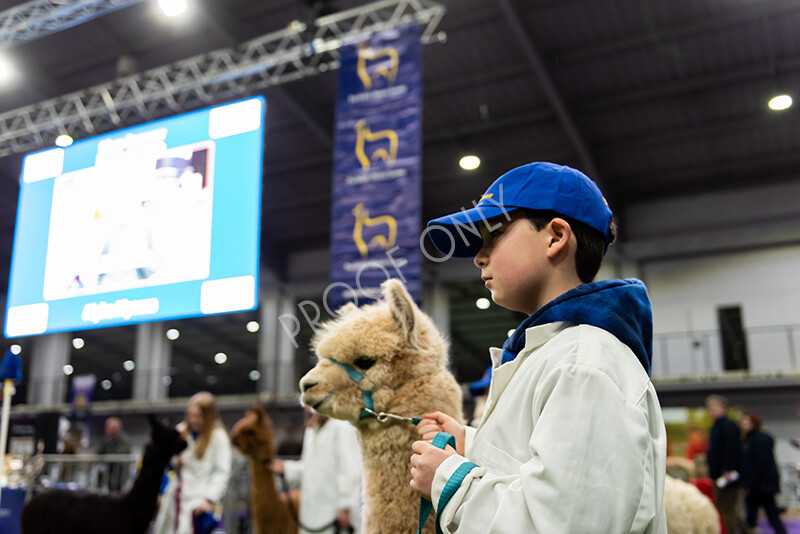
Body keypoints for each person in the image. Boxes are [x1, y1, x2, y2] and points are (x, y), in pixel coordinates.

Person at [410, 161, 667, 532]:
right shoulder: (551, 354)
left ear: (555, 236)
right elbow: (542, 470)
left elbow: (563, 524)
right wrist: (471, 442)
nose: (479, 257)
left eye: (492, 236)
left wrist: (448, 481)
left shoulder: (585, 364)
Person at [270, 406, 363, 534]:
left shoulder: (341, 427)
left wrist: (345, 506)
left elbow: (349, 470)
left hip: (335, 516)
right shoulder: (311, 432)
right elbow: (309, 469)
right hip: (312, 517)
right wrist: (286, 468)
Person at [153, 391, 232, 534]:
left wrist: (208, 499)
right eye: (190, 415)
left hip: (199, 502)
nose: (193, 420)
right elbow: (168, 459)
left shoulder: (218, 437)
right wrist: (174, 462)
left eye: (198, 416)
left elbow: (222, 472)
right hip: (176, 498)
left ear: (208, 416)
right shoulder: (181, 432)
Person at [705, 394, 749, 534]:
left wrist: (728, 469)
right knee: (729, 508)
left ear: (722, 408)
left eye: (714, 407)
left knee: (727, 508)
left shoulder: (728, 426)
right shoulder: (716, 427)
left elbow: (732, 450)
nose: (711, 411)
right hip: (717, 474)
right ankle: (745, 531)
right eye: (709, 408)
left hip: (727, 475)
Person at [740, 411, 787, 534]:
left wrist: (751, 483)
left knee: (763, 515)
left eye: (747, 422)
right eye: (743, 422)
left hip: (762, 485)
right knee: (765, 514)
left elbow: (761, 463)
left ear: (754, 423)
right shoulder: (748, 440)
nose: (744, 424)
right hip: (759, 485)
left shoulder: (759, 439)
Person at [96, 416, 131, 492]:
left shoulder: (124, 440)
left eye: (110, 427)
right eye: (107, 427)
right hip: (107, 473)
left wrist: (106, 457)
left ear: (117, 429)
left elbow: (121, 453)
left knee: (118, 491)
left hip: (120, 473)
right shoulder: (105, 440)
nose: (107, 429)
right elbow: (98, 451)